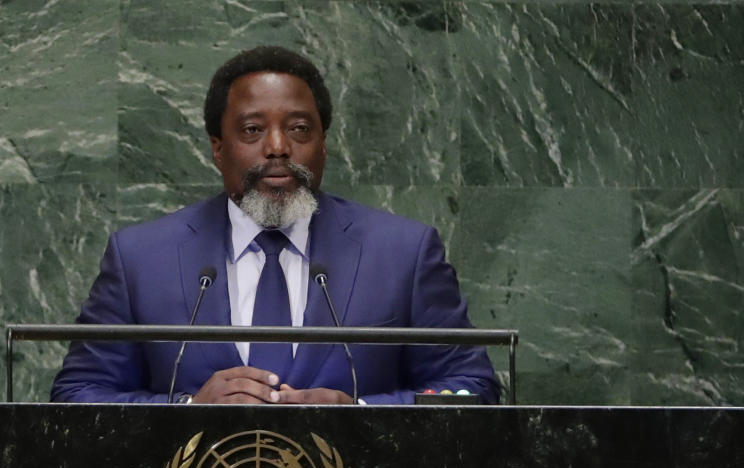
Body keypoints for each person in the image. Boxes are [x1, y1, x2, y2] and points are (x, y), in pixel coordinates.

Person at [51, 46, 499, 405]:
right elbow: (76, 395)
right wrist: (186, 409)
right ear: (217, 148)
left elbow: (471, 389)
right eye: (251, 130)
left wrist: (362, 414)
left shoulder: (404, 253)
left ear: (323, 145)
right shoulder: (141, 259)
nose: (278, 147)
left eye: (300, 129)